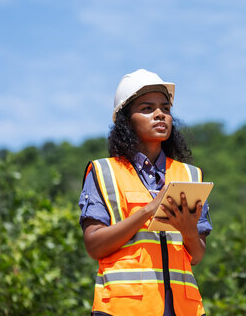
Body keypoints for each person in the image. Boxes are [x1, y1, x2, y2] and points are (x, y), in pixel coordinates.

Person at [78, 69, 211, 316]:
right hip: (124, 308)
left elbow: (197, 255)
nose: (160, 114)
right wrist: (149, 210)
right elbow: (94, 246)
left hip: (185, 309)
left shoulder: (190, 176)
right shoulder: (104, 172)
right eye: (147, 108)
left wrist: (188, 230)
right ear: (127, 120)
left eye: (165, 109)